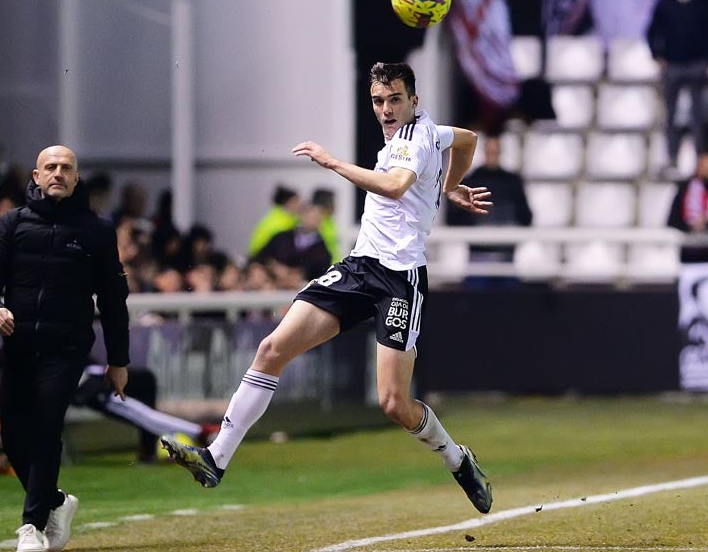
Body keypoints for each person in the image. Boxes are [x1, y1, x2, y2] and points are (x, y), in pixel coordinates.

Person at [163, 63, 495, 516]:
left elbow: (396, 186)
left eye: (395, 99)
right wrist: (447, 187)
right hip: (359, 268)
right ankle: (216, 458)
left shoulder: (416, 139)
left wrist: (333, 162)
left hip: (399, 280)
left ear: (415, 101)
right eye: (378, 101)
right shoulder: (432, 133)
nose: (386, 109)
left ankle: (458, 459)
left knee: (394, 403)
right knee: (271, 348)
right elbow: (468, 140)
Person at [0, 145, 130, 552]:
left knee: (45, 427)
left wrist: (118, 360)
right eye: (50, 167)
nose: (58, 173)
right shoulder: (13, 224)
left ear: (77, 179)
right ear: (37, 177)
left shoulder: (96, 230)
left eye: (66, 168)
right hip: (18, 346)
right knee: (12, 437)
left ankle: (31, 524)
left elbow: (113, 299)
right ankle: (56, 501)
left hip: (66, 347)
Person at [646, 0, 708, 173]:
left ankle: (701, 158)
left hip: (697, 64)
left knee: (699, 115)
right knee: (670, 115)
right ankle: (671, 156)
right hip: (673, 64)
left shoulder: (702, 3)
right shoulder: (665, 3)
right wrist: (657, 55)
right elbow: (652, 31)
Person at [74, 363, 217, 464]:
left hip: (91, 372)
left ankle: (148, 448)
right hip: (77, 384)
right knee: (132, 408)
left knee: (145, 378)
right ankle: (200, 432)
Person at [446, 135, 532, 276]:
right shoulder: (470, 181)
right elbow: (454, 218)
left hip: (506, 254)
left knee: (506, 296)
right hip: (477, 254)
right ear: (484, 152)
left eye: (495, 151)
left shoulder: (512, 182)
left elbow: (525, 216)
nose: (492, 155)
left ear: (500, 153)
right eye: (489, 151)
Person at [247, 186, 301, 258]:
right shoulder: (279, 223)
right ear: (287, 203)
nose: (299, 205)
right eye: (296, 202)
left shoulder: (281, 217)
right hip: (262, 259)